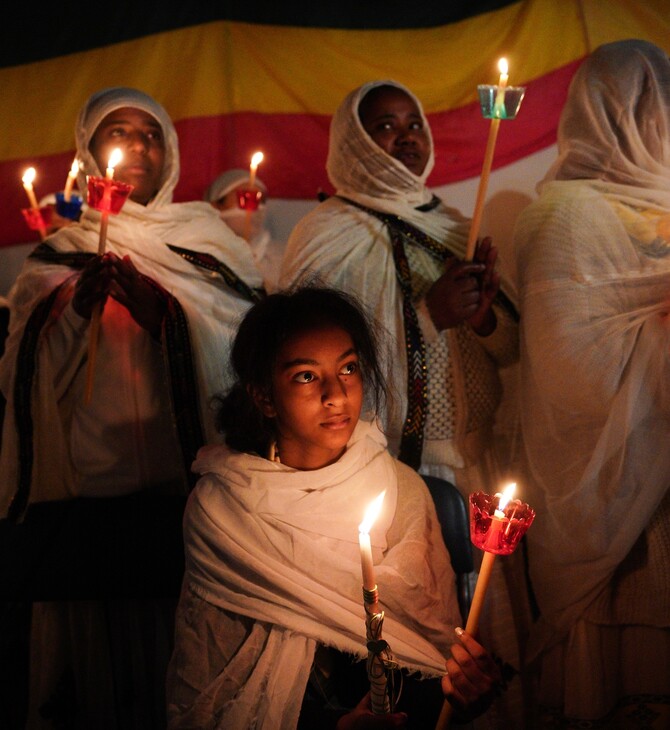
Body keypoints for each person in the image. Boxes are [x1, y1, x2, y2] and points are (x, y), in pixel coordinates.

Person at [0, 87, 264, 729]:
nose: (137, 145)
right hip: (95, 494)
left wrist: (166, 320)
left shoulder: (209, 240)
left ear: (170, 149)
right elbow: (16, 375)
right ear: (87, 151)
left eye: (150, 133)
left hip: (191, 492)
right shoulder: (57, 254)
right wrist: (71, 317)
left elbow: (252, 347)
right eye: (118, 132)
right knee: (103, 686)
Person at [278, 80, 531, 725]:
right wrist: (427, 314)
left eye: (412, 122)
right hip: (388, 480)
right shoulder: (326, 232)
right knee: (416, 665)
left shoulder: (449, 223)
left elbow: (508, 351)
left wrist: (479, 319)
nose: (405, 135)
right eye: (385, 127)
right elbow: (315, 361)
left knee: (483, 666)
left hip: (472, 467)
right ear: (355, 145)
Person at [165, 284, 502, 729]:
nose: (336, 394)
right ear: (264, 397)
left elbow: (430, 648)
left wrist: (465, 690)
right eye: (306, 376)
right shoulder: (225, 508)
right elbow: (221, 677)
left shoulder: (398, 489)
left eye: (348, 368)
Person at [513, 39, 670, 726]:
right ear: (598, 111)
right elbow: (573, 377)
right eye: (641, 102)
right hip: (611, 496)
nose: (657, 116)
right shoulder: (564, 214)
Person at [205, 167, 285, 290]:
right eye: (246, 198)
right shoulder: (202, 254)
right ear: (215, 205)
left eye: (261, 200)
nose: (257, 208)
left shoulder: (282, 258)